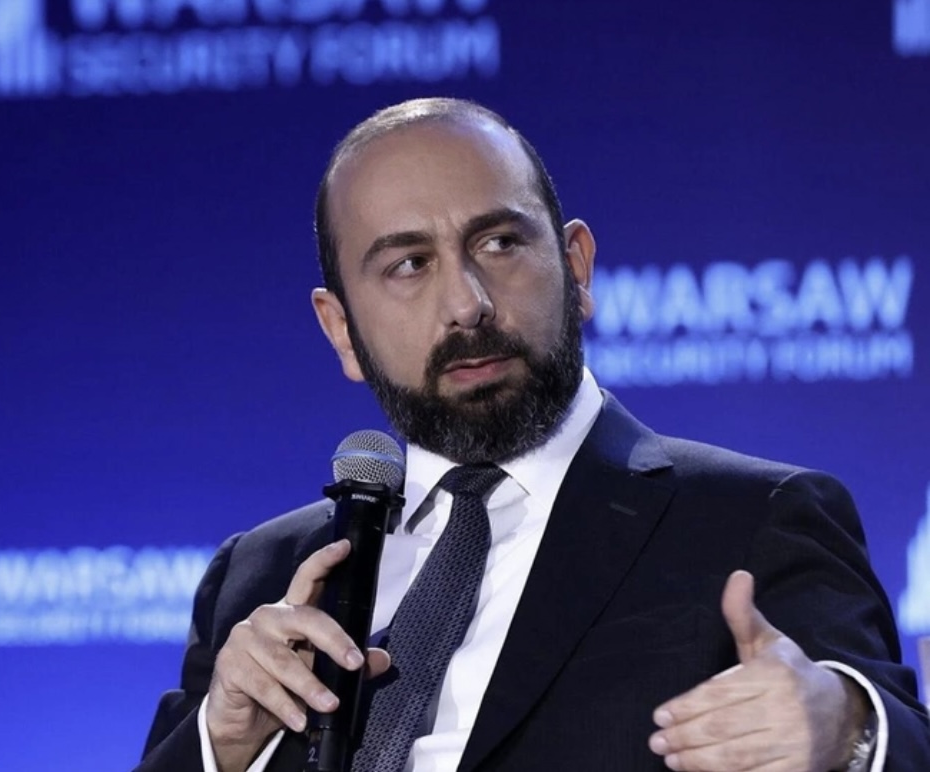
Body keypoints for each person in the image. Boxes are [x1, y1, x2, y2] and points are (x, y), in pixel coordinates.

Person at [133, 98, 930, 771]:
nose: (466, 304)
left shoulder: (749, 518)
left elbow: (893, 737)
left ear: (576, 267)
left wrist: (850, 734)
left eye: (499, 243)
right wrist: (221, 744)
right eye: (408, 264)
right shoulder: (259, 575)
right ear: (340, 329)